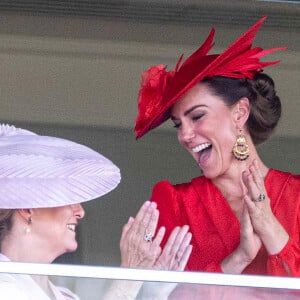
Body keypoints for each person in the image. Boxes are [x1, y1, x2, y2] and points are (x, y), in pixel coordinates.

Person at [134, 16, 300, 278]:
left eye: (197, 116)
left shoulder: (297, 197)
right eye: (178, 125)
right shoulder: (174, 205)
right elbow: (161, 295)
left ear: (240, 113)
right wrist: (239, 258)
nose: (185, 135)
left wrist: (270, 228)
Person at [0, 123, 193, 299]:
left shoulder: (65, 296)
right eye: (69, 198)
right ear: (27, 209)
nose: (80, 212)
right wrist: (130, 275)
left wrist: (154, 289)